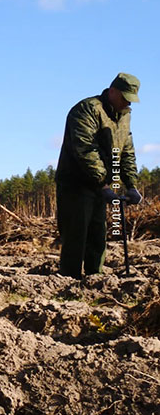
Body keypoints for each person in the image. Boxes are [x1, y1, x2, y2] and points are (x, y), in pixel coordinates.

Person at [55, 72, 142, 279]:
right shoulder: (87, 110)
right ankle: (69, 283)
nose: (127, 103)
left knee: (97, 235)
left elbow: (125, 151)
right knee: (76, 235)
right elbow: (85, 150)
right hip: (76, 184)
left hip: (100, 186)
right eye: (124, 97)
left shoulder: (124, 115)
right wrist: (103, 184)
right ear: (112, 91)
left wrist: (131, 184)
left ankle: (95, 280)